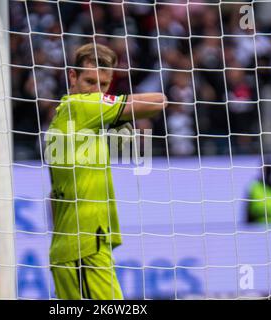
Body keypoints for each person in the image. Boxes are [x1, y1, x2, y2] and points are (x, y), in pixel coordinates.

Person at [45, 43, 166, 300]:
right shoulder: (81, 106)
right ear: (72, 76)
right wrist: (113, 105)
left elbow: (52, 197)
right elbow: (159, 101)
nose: (96, 91)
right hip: (84, 245)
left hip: (75, 245)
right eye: (90, 81)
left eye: (103, 85)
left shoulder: (69, 118)